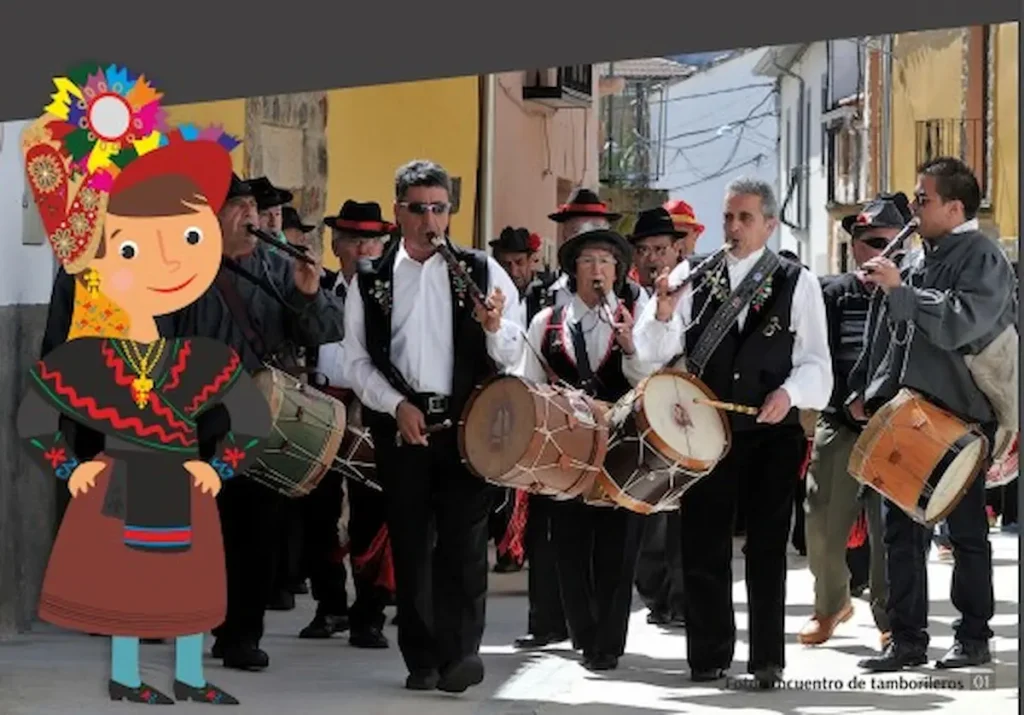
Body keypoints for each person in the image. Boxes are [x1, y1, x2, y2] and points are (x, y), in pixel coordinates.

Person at [16, 64, 273, 705]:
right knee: (123, 572)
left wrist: (223, 462)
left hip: (184, 442)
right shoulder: (89, 269)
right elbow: (54, 365)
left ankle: (188, 670)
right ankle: (131, 672)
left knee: (187, 573)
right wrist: (68, 463)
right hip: (119, 443)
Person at [632, 177, 833, 688]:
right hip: (706, 431)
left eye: (745, 218)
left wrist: (788, 394)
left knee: (766, 548)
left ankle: (766, 659)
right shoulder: (692, 275)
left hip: (772, 434)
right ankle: (708, 655)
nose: (734, 227)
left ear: (769, 224)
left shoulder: (796, 281)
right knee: (702, 544)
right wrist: (660, 312)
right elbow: (651, 353)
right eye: (727, 217)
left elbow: (816, 365)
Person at [342, 159, 525, 693]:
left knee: (466, 543)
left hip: (466, 424)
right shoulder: (371, 278)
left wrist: (494, 329)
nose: (430, 220)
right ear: (398, 211)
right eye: (419, 209)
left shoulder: (481, 270)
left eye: (439, 209)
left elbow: (513, 355)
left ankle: (462, 653)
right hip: (402, 425)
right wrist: (396, 404)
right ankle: (421, 657)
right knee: (412, 544)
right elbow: (357, 361)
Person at [170, 173, 345, 672]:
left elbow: (326, 329)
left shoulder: (278, 265)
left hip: (261, 415)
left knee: (257, 529)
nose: (249, 215)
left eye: (251, 205)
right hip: (197, 415)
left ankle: (241, 633)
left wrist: (310, 294)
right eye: (236, 206)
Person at [850, 157, 1016, 672]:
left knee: (965, 534)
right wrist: (867, 386)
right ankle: (906, 641)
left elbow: (962, 323)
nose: (914, 208)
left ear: (954, 206)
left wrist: (902, 290)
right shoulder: (921, 255)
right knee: (901, 534)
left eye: (923, 199)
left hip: (959, 417)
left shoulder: (983, 256)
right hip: (906, 412)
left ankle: (973, 636)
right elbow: (890, 330)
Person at [519, 226, 659, 671]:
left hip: (621, 451)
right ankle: (584, 631)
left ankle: (608, 643)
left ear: (618, 271)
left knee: (619, 548)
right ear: (573, 271)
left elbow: (651, 383)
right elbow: (531, 388)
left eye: (605, 261)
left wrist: (630, 345)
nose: (597, 270)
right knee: (569, 545)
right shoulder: (547, 322)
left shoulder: (640, 316)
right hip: (566, 454)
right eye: (587, 262)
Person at [797, 193, 912, 649]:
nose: (872, 251)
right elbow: (816, 357)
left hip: (896, 428)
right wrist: (846, 404)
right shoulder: (831, 293)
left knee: (889, 530)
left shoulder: (911, 292)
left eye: (882, 241)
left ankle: (889, 617)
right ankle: (830, 607)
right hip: (840, 421)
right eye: (864, 242)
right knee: (821, 523)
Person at [309, 199, 396, 649]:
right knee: (316, 512)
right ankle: (330, 607)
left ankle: (369, 614)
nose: (362, 248)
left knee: (371, 513)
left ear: (382, 246)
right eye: (353, 240)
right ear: (335, 244)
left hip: (370, 408)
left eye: (371, 240)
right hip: (320, 405)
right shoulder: (317, 286)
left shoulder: (391, 294)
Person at [487, 227, 568, 650]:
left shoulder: (547, 301)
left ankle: (564, 615)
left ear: (534, 262)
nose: (514, 269)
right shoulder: (490, 290)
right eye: (508, 261)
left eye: (521, 262)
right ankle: (511, 555)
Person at [626, 206, 690, 628]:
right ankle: (658, 598)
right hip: (646, 417)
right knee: (651, 513)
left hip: (687, 414)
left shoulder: (695, 288)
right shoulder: (636, 298)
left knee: (683, 516)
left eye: (661, 249)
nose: (653, 258)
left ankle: (681, 600)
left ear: (676, 250)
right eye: (645, 250)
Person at [629, 206, 688, 295]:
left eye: (659, 249)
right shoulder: (626, 298)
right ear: (634, 256)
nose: (652, 258)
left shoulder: (693, 291)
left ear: (676, 249)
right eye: (643, 250)